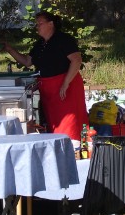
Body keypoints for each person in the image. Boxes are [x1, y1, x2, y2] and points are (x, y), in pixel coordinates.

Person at [5, 11, 88, 145]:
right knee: (54, 124)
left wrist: (65, 83)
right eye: (37, 24)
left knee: (70, 123)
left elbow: (76, 60)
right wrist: (10, 49)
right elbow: (27, 61)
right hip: (49, 90)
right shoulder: (40, 44)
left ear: (51, 24)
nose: (37, 26)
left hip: (66, 87)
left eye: (40, 23)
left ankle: (75, 149)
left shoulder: (64, 39)